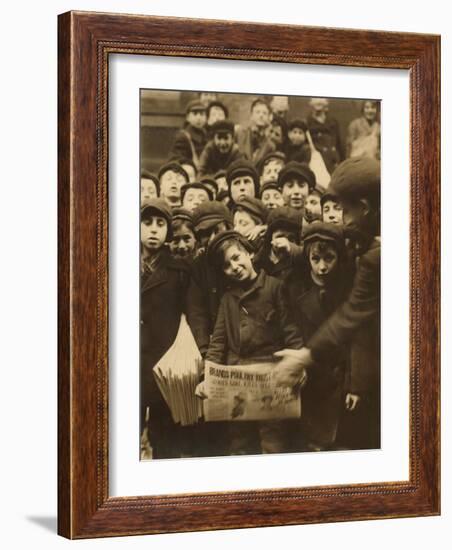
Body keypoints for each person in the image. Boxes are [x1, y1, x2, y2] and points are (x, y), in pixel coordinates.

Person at [274, 156, 381, 450]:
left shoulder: (376, 255)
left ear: (365, 208)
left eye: (344, 211)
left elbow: (352, 314)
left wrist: (303, 356)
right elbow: (331, 242)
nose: (343, 220)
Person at [205, 231, 304, 454]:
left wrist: (297, 363)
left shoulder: (274, 287)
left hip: (270, 376)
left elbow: (291, 330)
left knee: (273, 442)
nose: (234, 267)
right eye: (226, 266)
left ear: (249, 253)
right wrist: (207, 378)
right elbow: (218, 343)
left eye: (236, 257)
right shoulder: (227, 299)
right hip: (237, 380)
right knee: (240, 443)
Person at [283, 223, 353, 451]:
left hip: (341, 378)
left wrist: (353, 383)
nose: (322, 267)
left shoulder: (349, 290)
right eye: (316, 259)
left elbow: (356, 341)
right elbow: (290, 328)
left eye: (329, 259)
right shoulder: (293, 289)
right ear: (307, 257)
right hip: (310, 379)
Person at [140, 199, 191, 458]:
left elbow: (191, 315)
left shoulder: (179, 270)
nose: (153, 229)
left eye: (160, 224)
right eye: (147, 222)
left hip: (165, 365)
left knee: (165, 443)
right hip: (130, 364)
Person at [186, 201, 234, 356]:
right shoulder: (198, 266)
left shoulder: (243, 259)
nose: (213, 238)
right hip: (212, 346)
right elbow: (196, 311)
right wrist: (204, 349)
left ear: (228, 228)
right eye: (206, 233)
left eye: (217, 230)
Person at [254, 206, 303, 281]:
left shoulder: (300, 262)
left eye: (291, 239)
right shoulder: (258, 261)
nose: (285, 242)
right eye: (280, 236)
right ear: (270, 238)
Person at [307, 98, 344, 174]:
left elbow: (339, 144)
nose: (318, 103)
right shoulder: (308, 122)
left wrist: (342, 162)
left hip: (334, 161)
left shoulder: (333, 122)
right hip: (319, 162)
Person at [235, 98, 275, 165]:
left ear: (269, 118)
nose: (261, 115)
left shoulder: (270, 146)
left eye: (264, 113)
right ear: (251, 116)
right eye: (257, 112)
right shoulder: (239, 133)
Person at [170, 100, 208, 169]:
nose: (198, 118)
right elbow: (177, 161)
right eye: (195, 114)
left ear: (206, 118)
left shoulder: (207, 136)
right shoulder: (183, 137)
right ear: (188, 117)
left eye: (202, 114)